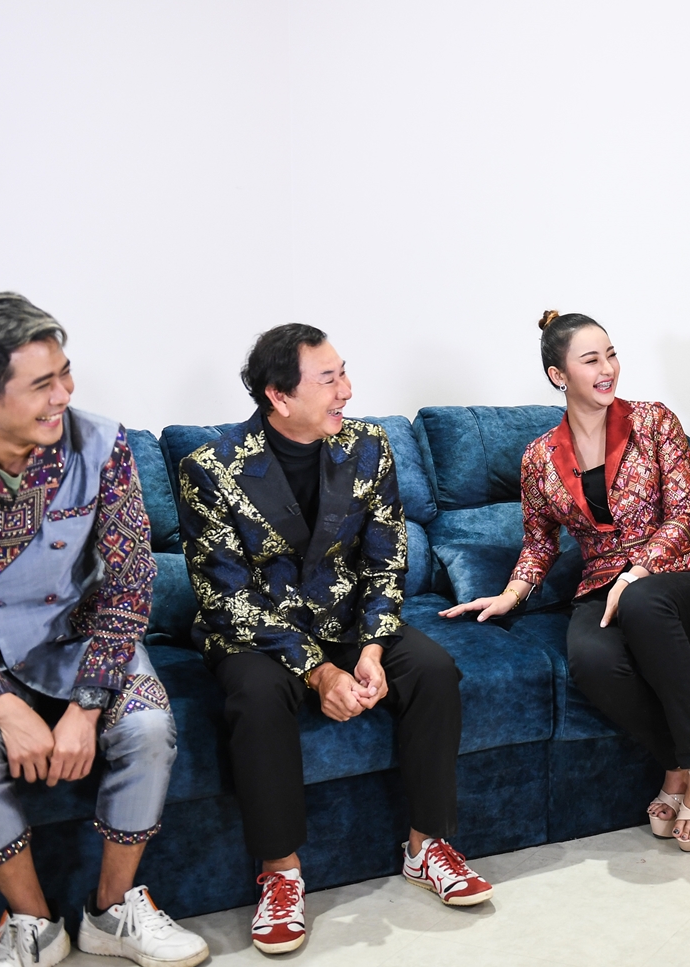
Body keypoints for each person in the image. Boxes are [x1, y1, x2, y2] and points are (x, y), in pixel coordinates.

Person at [0, 294, 207, 967]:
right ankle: (32, 924)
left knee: (148, 728)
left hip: (86, 638)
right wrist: (5, 708)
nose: (64, 394)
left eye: (65, 373)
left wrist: (86, 708)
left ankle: (112, 911)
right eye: (41, 384)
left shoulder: (104, 444)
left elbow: (129, 583)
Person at [177, 323, 491, 956]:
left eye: (343, 372)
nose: (347, 389)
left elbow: (386, 559)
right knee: (256, 698)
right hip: (257, 633)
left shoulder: (367, 445)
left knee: (433, 669)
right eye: (329, 379)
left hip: (347, 622)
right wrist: (320, 673)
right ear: (279, 396)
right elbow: (225, 594)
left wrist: (372, 649)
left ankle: (427, 846)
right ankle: (280, 874)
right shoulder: (208, 469)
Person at [444, 311, 690, 850]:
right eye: (591, 360)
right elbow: (539, 543)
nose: (608, 369)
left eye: (612, 355)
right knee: (591, 661)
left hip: (682, 574)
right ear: (559, 375)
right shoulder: (539, 458)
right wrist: (509, 595)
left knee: (642, 601)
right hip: (601, 585)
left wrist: (638, 572)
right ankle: (678, 759)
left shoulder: (654, 421)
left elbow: (683, 516)